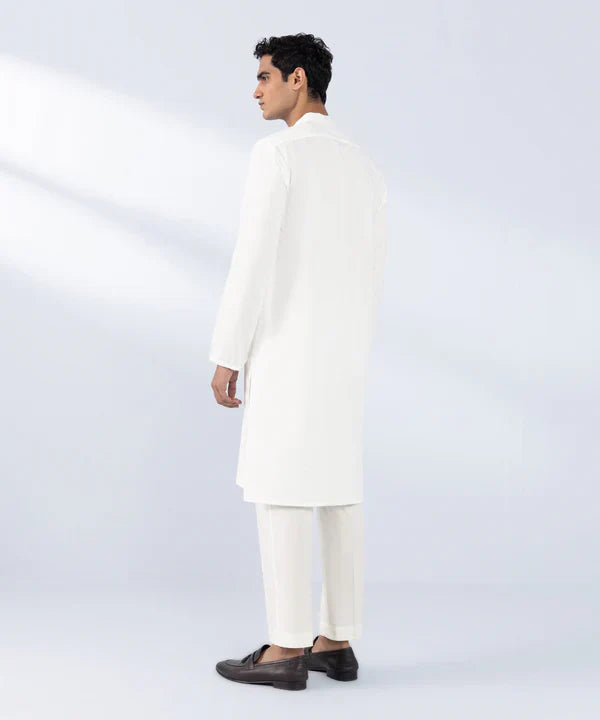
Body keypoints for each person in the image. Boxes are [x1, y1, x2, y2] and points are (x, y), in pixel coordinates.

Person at [209, 33, 387, 691]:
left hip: (287, 350)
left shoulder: (278, 154)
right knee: (338, 494)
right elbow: (373, 266)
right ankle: (336, 642)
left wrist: (228, 353)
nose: (256, 90)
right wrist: (356, 345)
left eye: (264, 76)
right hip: (345, 356)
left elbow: (252, 260)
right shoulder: (363, 164)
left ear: (298, 80)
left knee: (280, 491)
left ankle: (285, 648)